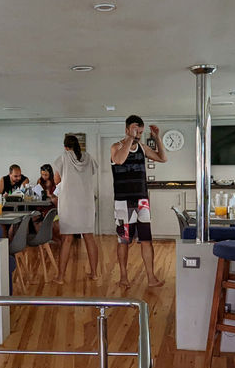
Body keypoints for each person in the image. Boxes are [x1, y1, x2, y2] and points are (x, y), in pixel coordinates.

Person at [110, 115, 167, 287]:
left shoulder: (142, 147)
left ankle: (151, 278)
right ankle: (123, 277)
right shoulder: (116, 147)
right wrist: (129, 138)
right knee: (124, 241)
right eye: (135, 131)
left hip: (142, 201)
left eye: (140, 132)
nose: (138, 135)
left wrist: (157, 137)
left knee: (147, 240)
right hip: (122, 202)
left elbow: (162, 158)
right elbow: (119, 160)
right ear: (127, 129)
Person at [53, 135, 99, 283]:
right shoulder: (88, 157)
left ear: (66, 146)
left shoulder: (63, 157)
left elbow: (57, 180)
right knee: (89, 237)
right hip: (86, 202)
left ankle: (60, 277)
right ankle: (94, 273)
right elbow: (92, 172)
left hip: (69, 202)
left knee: (67, 239)